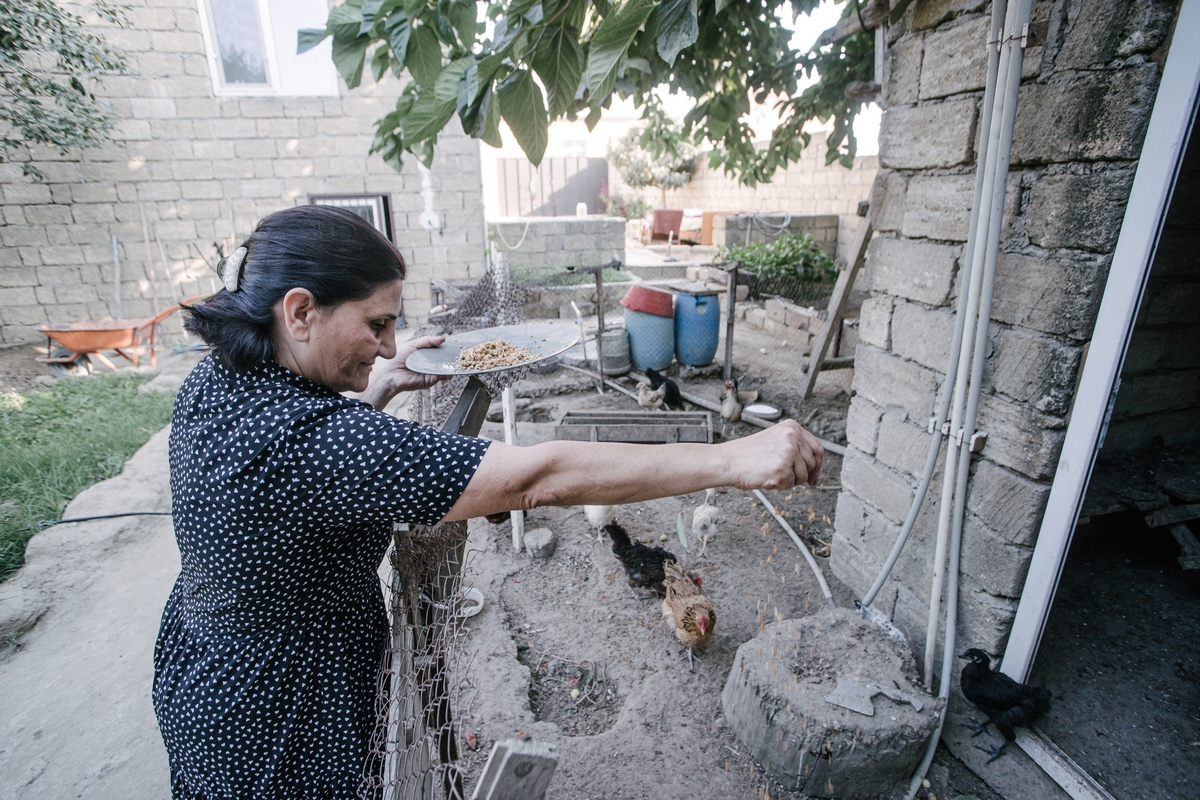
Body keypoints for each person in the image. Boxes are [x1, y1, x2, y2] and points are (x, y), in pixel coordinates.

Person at [154, 205, 823, 799]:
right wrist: (732, 459)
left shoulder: (222, 381)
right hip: (280, 716)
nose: (390, 344)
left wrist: (376, 385)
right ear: (300, 312)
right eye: (377, 325)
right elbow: (536, 477)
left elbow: (301, 468)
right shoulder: (313, 441)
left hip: (211, 670)